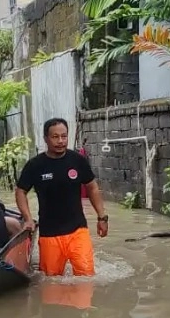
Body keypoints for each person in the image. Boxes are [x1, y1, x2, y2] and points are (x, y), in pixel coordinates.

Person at [15, 118, 108, 276]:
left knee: (86, 277)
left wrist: (102, 217)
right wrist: (28, 218)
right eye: (55, 137)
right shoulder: (35, 165)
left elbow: (92, 187)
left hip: (78, 230)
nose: (60, 141)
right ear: (46, 139)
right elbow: (20, 191)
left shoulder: (77, 160)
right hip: (49, 233)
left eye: (64, 136)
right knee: (51, 281)